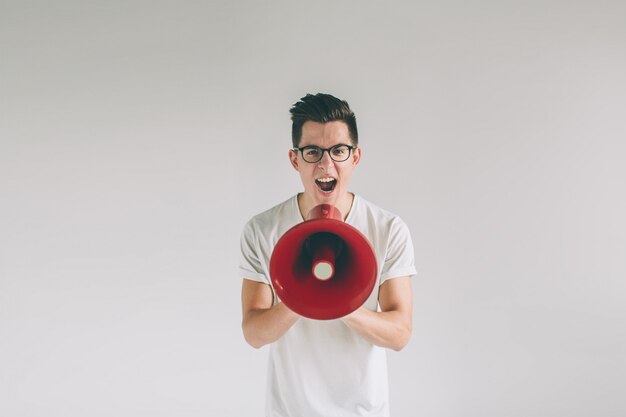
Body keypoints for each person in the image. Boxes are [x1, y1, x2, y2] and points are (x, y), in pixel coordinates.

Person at [239, 93, 417, 417]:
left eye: (338, 150)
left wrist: (339, 300)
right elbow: (253, 332)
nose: (325, 164)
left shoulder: (389, 229)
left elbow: (400, 333)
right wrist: (302, 295)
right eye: (312, 152)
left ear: (355, 156)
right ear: (295, 160)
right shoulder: (262, 230)